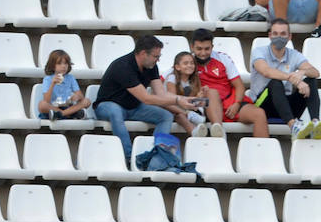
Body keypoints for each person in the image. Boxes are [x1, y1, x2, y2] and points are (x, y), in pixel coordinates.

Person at [95, 36, 193, 165]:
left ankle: (158, 155)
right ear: (142, 54)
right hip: (106, 105)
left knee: (165, 116)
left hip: (133, 107)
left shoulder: (151, 66)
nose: (158, 59)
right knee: (115, 111)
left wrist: (183, 99)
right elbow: (146, 98)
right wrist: (177, 101)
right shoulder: (123, 67)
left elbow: (161, 94)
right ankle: (128, 157)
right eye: (155, 56)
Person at [249, 18, 321, 140]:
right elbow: (266, 71)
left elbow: (315, 72)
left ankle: (315, 124)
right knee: (275, 82)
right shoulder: (259, 52)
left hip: (286, 105)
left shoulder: (294, 54)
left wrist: (302, 72)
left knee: (311, 81)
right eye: (275, 34)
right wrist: (292, 78)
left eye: (283, 34)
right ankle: (293, 127)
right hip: (263, 105)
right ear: (270, 36)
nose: (279, 37)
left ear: (289, 37)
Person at [190, 28, 268, 139]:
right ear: (192, 47)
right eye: (199, 49)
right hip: (202, 104)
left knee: (259, 114)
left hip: (229, 103)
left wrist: (236, 104)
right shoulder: (187, 62)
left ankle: (261, 155)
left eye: (207, 49)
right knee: (211, 92)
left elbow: (239, 86)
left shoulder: (223, 58)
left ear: (212, 46)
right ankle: (219, 131)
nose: (203, 53)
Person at [165, 51, 209, 136]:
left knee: (206, 101)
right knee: (180, 115)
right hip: (172, 109)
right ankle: (194, 132)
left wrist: (199, 97)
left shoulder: (194, 80)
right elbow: (171, 101)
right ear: (177, 67)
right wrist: (186, 112)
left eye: (192, 63)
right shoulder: (172, 78)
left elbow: (197, 103)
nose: (189, 65)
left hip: (188, 109)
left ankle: (198, 121)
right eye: (185, 63)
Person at [37, 49, 90, 120]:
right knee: (42, 105)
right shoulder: (48, 79)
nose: (63, 66)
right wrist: (53, 84)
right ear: (52, 66)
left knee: (86, 101)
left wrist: (76, 96)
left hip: (68, 106)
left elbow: (81, 96)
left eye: (65, 63)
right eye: (59, 63)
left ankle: (60, 115)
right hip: (54, 108)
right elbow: (46, 100)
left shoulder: (70, 78)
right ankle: (69, 114)